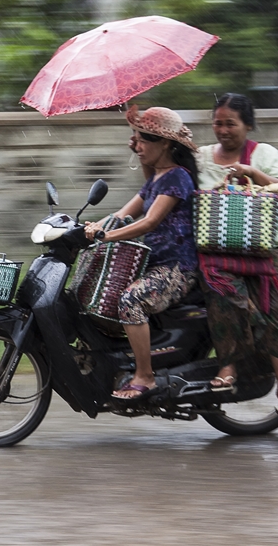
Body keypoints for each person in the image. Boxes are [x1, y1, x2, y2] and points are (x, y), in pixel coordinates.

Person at [197, 93, 278, 426]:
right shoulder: (200, 156)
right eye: (218, 122)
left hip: (269, 246)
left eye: (231, 123)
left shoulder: (265, 154)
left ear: (247, 124)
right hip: (217, 248)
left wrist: (249, 172)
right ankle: (228, 364)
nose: (223, 129)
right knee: (221, 293)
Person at [84, 106, 199, 400]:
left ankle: (145, 376)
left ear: (168, 144)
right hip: (154, 264)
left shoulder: (179, 178)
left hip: (177, 269)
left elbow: (149, 222)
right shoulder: (157, 179)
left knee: (130, 301)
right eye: (137, 138)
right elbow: (123, 214)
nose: (139, 144)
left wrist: (104, 235)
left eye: (146, 138)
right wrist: (88, 227)